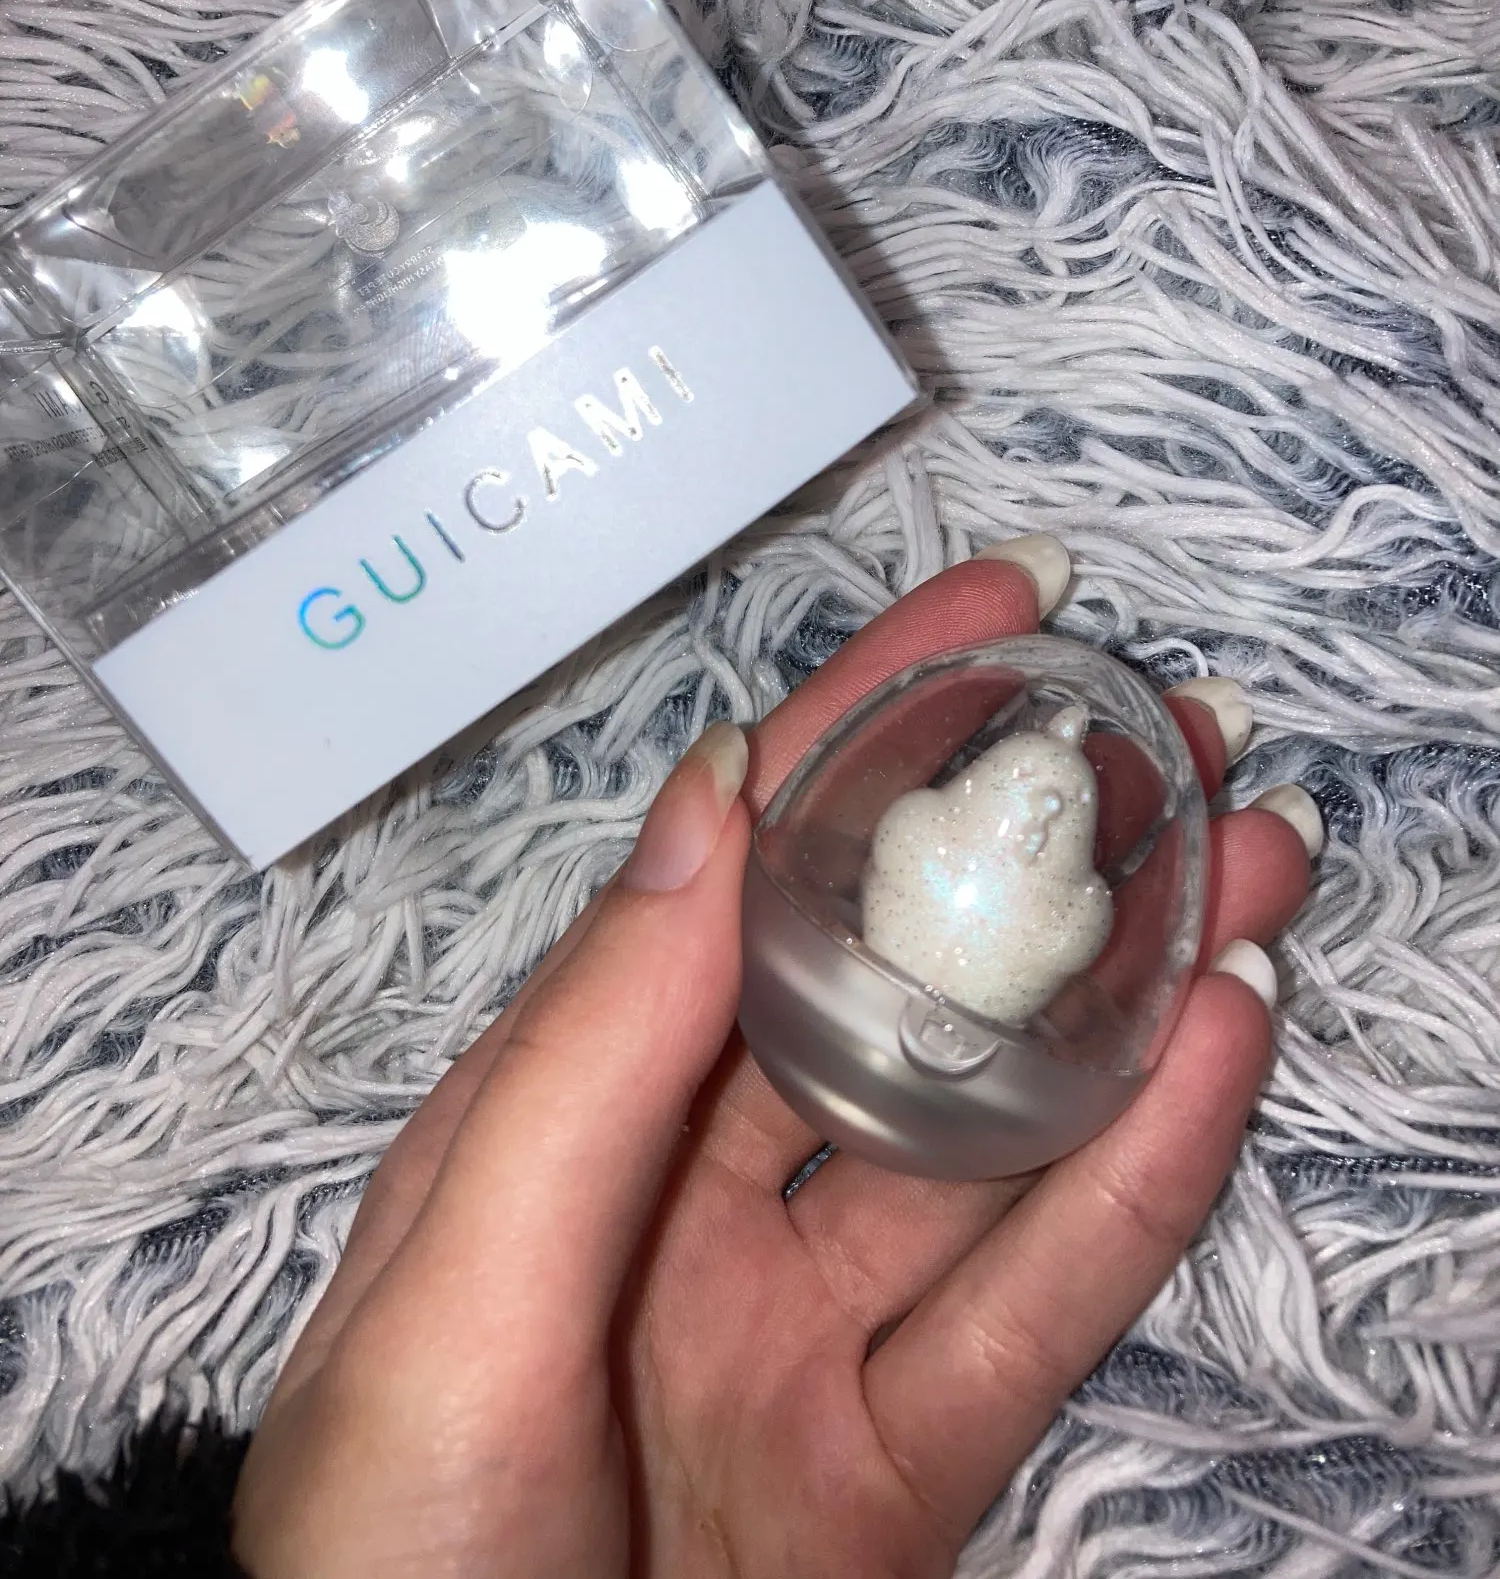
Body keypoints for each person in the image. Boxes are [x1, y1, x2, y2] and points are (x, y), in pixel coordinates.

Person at [232, 537, 1317, 1578]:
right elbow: (888, 847)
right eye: (1025, 797)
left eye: (1059, 810)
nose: (1033, 828)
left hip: (975, 1073)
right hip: (845, 1010)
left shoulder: (1067, 902)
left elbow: (1085, 935)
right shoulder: (920, 829)